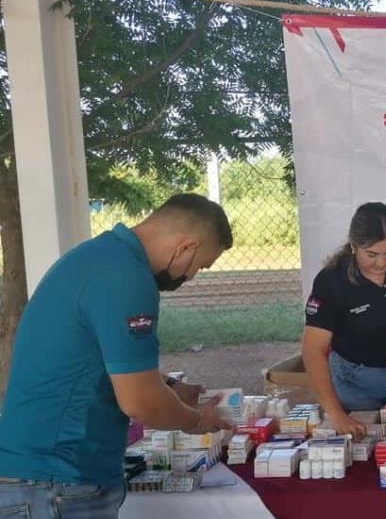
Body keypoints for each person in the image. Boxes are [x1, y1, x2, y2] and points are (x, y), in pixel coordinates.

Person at [0, 193, 234, 518]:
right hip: (56, 481)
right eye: (198, 266)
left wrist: (169, 386)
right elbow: (141, 402)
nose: (190, 276)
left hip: (42, 477)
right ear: (186, 247)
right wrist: (196, 421)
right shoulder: (127, 277)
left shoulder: (100, 257)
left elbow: (97, 355)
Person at [302, 202, 386, 436]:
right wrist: (337, 415)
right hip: (355, 383)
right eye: (372, 254)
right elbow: (312, 350)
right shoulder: (332, 280)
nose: (381, 262)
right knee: (362, 452)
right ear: (354, 246)